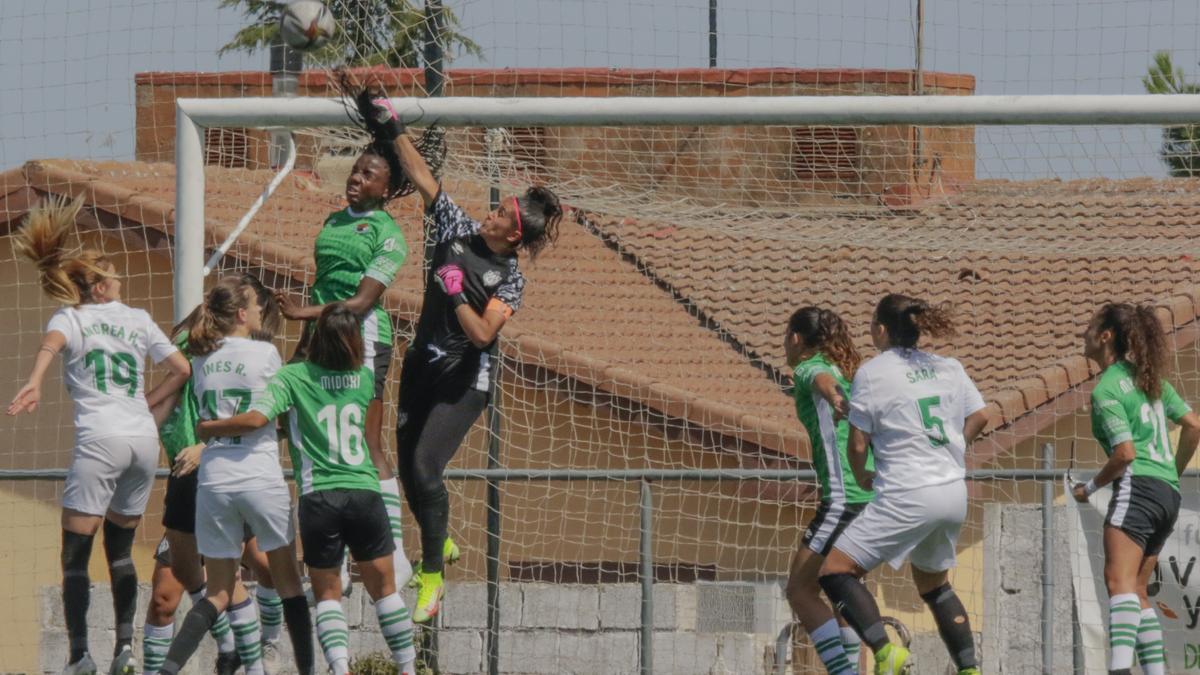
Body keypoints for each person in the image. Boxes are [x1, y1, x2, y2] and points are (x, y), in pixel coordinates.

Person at [359, 91, 564, 621]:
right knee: (407, 473)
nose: (488, 213)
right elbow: (425, 176)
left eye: (498, 212)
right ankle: (439, 538)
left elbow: (480, 334)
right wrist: (394, 125)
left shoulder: (510, 280)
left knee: (426, 469)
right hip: (422, 372)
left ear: (513, 232)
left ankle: (432, 576)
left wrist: (453, 290)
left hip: (464, 385)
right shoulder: (455, 228)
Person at [7, 195, 191, 675]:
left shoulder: (71, 317)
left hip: (101, 437)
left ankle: (79, 655)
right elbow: (181, 368)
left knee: (75, 552)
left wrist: (34, 381)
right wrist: (149, 404)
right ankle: (125, 650)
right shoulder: (137, 318)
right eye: (117, 278)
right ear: (103, 285)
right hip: (141, 441)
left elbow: (52, 344)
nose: (121, 284)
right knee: (122, 549)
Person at [199, 303, 416, 675]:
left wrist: (208, 428)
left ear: (315, 338)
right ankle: (409, 669)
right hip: (364, 492)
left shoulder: (293, 377)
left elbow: (257, 418)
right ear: (352, 342)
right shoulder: (364, 379)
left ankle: (339, 667)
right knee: (386, 591)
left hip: (320, 497)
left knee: (328, 595)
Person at [152, 276, 315, 675]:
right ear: (242, 314)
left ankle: (168, 669)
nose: (261, 313)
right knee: (289, 582)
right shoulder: (267, 355)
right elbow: (266, 416)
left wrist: (208, 430)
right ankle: (303, 666)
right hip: (258, 476)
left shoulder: (202, 358)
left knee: (217, 592)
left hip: (214, 482)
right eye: (257, 308)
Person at [817, 294, 988, 675]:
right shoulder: (948, 366)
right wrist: (955, 449)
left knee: (835, 570)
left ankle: (885, 652)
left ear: (880, 329)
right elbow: (981, 415)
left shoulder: (873, 373)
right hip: (952, 491)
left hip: (908, 492)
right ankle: (970, 669)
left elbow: (858, 443)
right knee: (934, 585)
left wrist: (861, 474)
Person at [275, 137, 413, 590]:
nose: (356, 178)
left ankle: (394, 552)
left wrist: (300, 314)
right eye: (356, 170)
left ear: (386, 190)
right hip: (320, 338)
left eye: (369, 174)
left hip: (363, 340)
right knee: (314, 440)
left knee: (365, 441)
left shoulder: (388, 235)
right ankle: (332, 555)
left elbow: (359, 303)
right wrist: (301, 345)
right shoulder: (332, 221)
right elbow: (322, 293)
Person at [1072, 303, 1200, 675]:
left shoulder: (1108, 388)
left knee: (1118, 582)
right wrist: (1171, 473)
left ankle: (1119, 670)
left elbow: (1125, 454)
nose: (1083, 334)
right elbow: (1193, 426)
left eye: (1089, 327)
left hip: (1137, 489)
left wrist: (1091, 486)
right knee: (1139, 590)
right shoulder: (1149, 379)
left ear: (1105, 336)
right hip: (1167, 494)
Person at [782, 307, 872, 674]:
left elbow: (818, 378)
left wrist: (834, 397)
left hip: (842, 499)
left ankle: (843, 672)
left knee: (800, 591)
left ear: (797, 339)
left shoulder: (809, 367)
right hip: (868, 497)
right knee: (840, 589)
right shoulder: (848, 371)